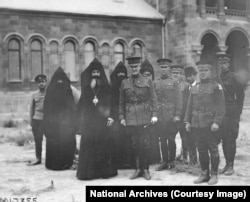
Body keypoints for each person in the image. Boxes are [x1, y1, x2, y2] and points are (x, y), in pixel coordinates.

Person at [184, 62, 225, 185]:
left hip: (210, 125)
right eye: (201, 71)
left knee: (213, 149)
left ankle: (214, 175)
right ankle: (204, 174)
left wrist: (217, 122)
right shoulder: (195, 87)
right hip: (197, 124)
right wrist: (187, 121)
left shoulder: (216, 87)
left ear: (210, 72)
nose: (202, 73)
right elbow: (189, 106)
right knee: (201, 150)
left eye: (205, 71)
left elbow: (221, 107)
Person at [77, 58, 117, 180]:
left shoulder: (106, 88)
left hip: (102, 123)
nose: (96, 75)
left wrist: (111, 117)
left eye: (98, 73)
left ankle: (104, 172)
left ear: (101, 74)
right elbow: (81, 106)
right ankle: (89, 173)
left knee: (103, 146)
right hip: (89, 123)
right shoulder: (86, 89)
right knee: (89, 146)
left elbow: (112, 104)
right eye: (93, 73)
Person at [119, 56, 158, 180]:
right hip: (131, 118)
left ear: (139, 67)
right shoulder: (125, 82)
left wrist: (155, 115)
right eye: (132, 67)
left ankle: (145, 169)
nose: (134, 69)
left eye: (136, 67)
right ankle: (137, 169)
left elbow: (154, 99)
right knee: (135, 144)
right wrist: (122, 117)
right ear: (130, 68)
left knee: (145, 144)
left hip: (145, 116)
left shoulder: (147, 81)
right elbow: (121, 102)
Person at [43, 67, 76, 170]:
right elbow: (46, 108)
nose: (60, 82)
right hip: (53, 123)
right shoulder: (50, 91)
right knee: (54, 143)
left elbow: (72, 107)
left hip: (65, 123)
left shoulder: (68, 90)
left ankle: (67, 163)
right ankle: (54, 164)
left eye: (62, 80)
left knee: (66, 142)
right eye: (58, 80)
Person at [217, 53, 245, 176]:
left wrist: (238, 111)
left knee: (230, 139)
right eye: (221, 63)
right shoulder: (216, 78)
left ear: (229, 64)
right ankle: (226, 165)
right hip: (221, 112)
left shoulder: (234, 77)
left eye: (225, 63)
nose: (223, 66)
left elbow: (241, 95)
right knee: (223, 139)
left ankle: (231, 165)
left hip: (231, 112)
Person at [154, 59, 182, 171]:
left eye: (165, 67)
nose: (163, 69)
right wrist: (154, 115)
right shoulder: (155, 82)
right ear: (159, 68)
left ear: (168, 68)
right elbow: (154, 100)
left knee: (171, 138)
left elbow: (179, 100)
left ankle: (172, 161)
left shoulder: (174, 82)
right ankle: (164, 161)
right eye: (161, 67)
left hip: (171, 115)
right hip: (160, 116)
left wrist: (177, 114)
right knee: (162, 139)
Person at [110, 61, 132, 169]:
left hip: (128, 116)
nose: (121, 76)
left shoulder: (128, 86)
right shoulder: (112, 88)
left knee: (128, 139)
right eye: (119, 73)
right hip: (116, 117)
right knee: (116, 138)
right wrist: (116, 116)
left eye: (123, 73)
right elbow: (110, 104)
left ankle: (128, 161)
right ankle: (117, 162)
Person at [140, 58, 161, 164]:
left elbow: (156, 101)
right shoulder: (139, 86)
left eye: (149, 74)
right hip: (142, 114)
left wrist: (155, 114)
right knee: (143, 137)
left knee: (153, 136)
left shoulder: (155, 85)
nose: (147, 76)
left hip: (153, 114)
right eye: (144, 74)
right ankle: (145, 159)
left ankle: (155, 158)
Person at [170, 65, 189, 163]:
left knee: (184, 137)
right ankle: (172, 158)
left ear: (181, 74)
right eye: (173, 73)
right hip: (171, 116)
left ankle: (185, 157)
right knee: (171, 136)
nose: (175, 75)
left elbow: (187, 101)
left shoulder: (185, 86)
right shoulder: (169, 84)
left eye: (177, 73)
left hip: (182, 116)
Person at [28, 74, 47, 166]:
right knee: (38, 140)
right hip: (37, 120)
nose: (41, 84)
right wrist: (31, 121)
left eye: (43, 82)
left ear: (46, 82)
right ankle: (38, 158)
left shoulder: (50, 94)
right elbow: (32, 109)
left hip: (47, 120)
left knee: (51, 139)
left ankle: (51, 158)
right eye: (39, 82)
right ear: (37, 84)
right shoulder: (34, 95)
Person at [182, 66, 198, 165]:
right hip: (187, 119)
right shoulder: (185, 90)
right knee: (188, 140)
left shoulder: (199, 87)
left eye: (190, 76)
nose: (188, 79)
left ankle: (198, 161)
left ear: (195, 75)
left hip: (197, 118)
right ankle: (191, 161)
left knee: (198, 140)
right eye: (187, 76)